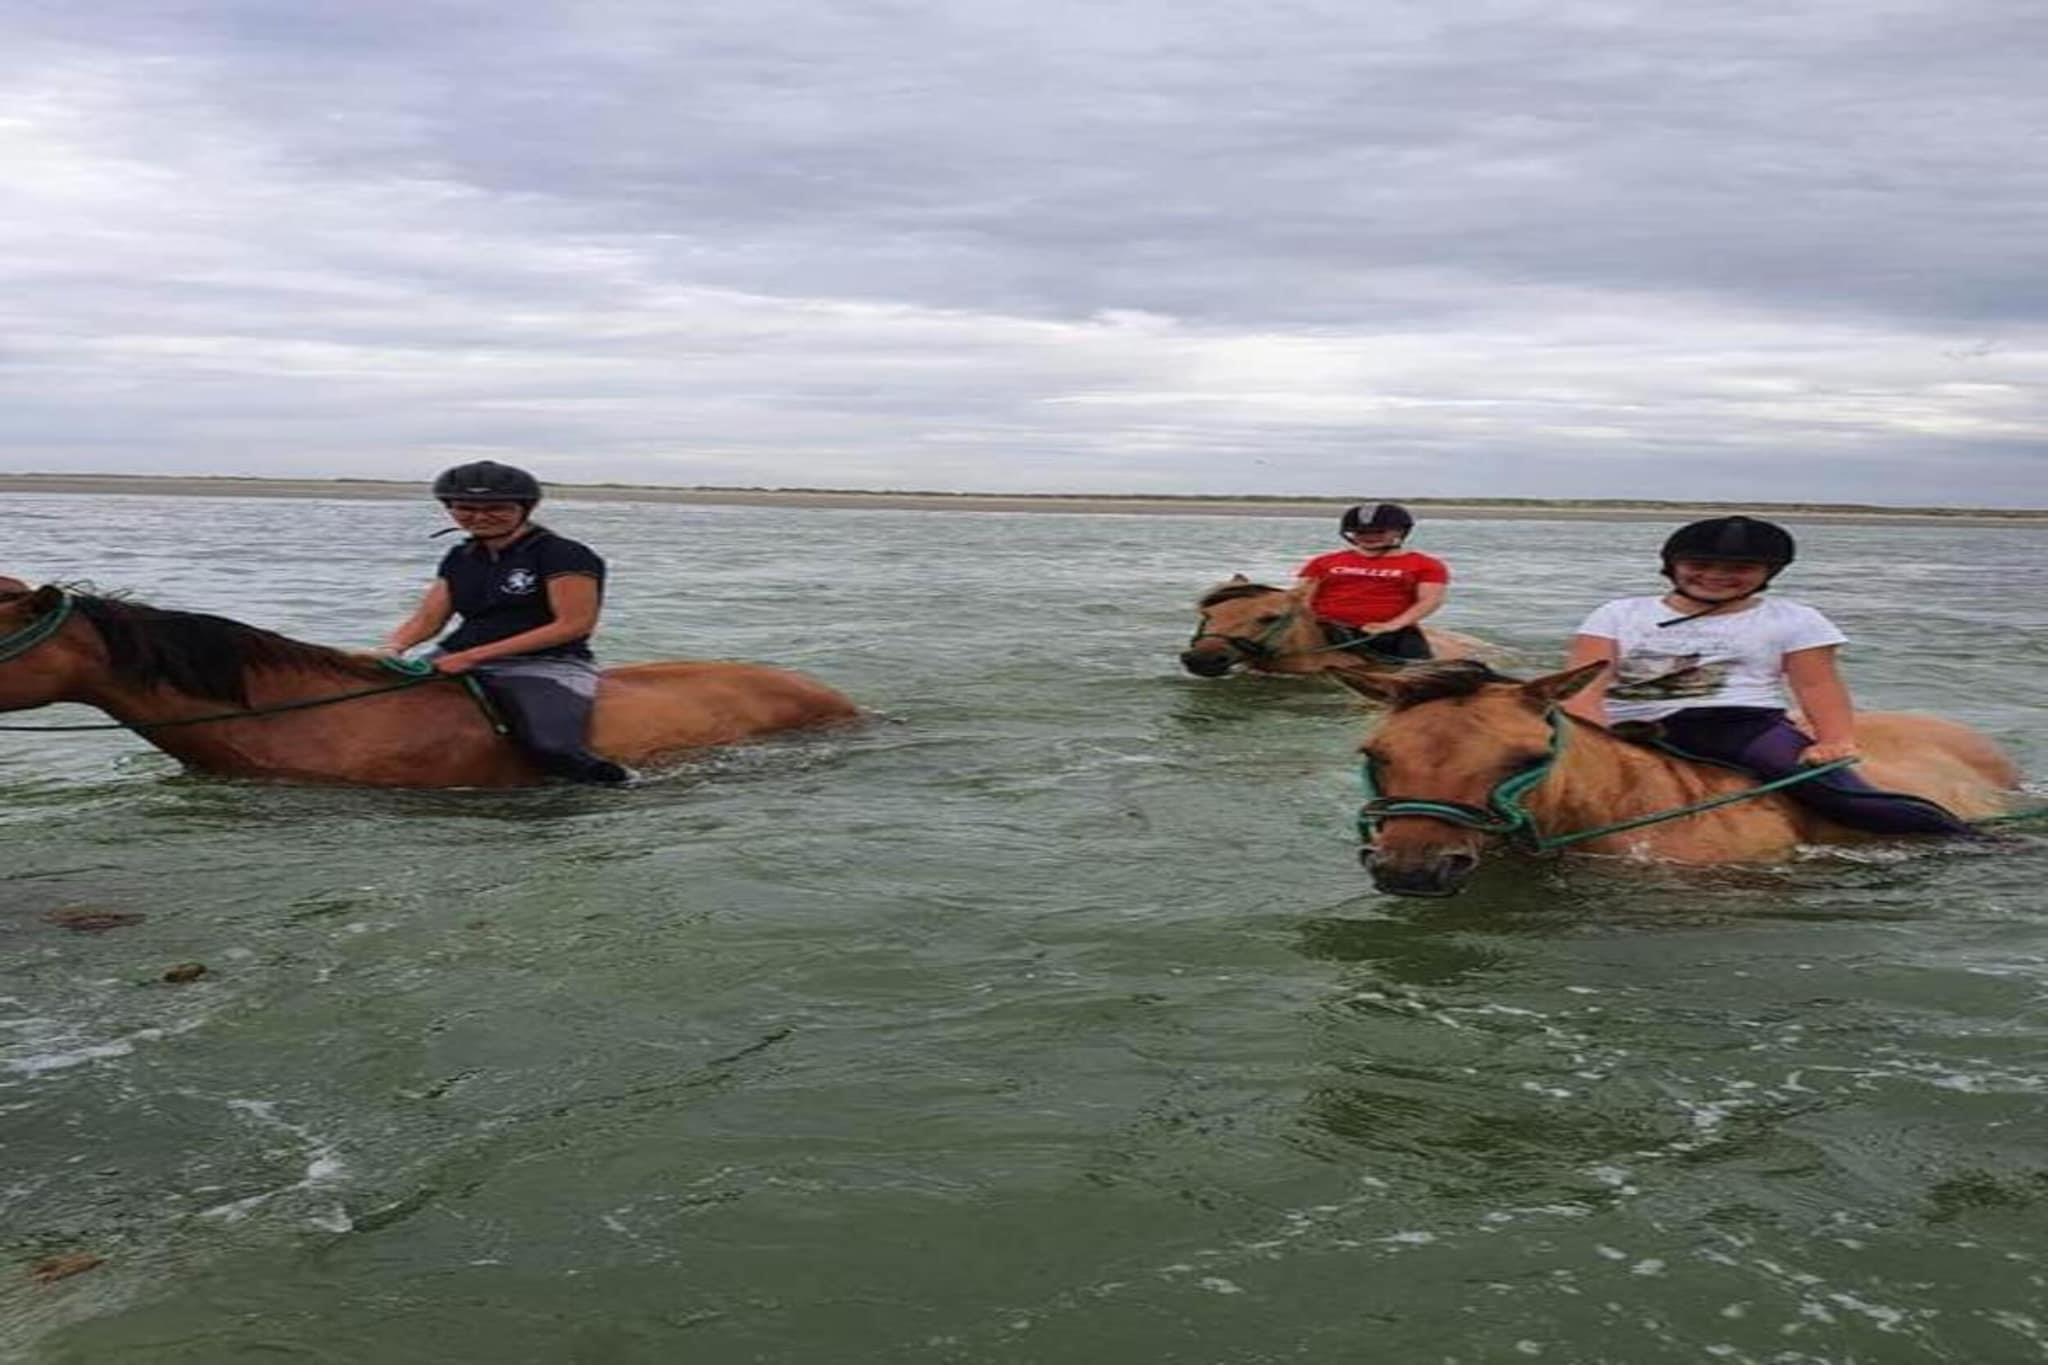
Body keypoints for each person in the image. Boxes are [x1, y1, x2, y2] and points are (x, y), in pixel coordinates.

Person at [1560, 515, 1972, 836]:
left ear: (1769, 572)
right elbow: (1583, 686)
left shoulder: (1795, 619)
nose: (1716, 575)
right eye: (1699, 564)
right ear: (1671, 566)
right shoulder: (1618, 613)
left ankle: (1964, 841)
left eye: (1740, 567)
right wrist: (1594, 739)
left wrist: (1834, 740)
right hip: (1629, 728)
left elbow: (1816, 684)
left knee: (1843, 797)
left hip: (1739, 726)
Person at [380, 460, 633, 785]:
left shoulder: (564, 554)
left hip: (543, 665)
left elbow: (573, 624)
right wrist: (393, 647)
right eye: (465, 508)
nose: (479, 517)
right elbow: (428, 618)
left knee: (553, 747)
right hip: (453, 658)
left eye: (496, 508)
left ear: (525, 508)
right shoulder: (460, 557)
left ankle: (619, 787)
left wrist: (472, 656)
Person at [1290, 502, 1449, 661]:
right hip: (1325, 628)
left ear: (1400, 531)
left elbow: (1429, 600)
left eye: (1379, 532)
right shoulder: (1323, 562)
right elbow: (1301, 596)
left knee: (1418, 667)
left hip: (1386, 632)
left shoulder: (1426, 564)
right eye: (1360, 532)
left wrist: (1393, 625)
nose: (1369, 537)